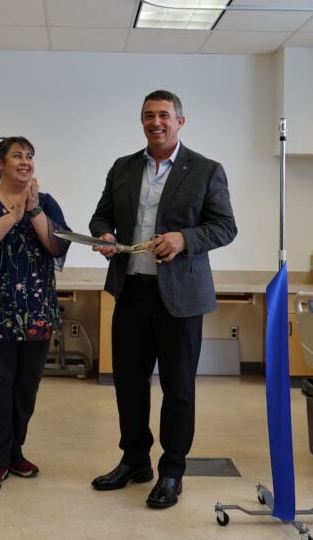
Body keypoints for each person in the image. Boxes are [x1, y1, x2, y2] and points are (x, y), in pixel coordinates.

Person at [89, 90, 237, 509]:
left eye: (164, 115)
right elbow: (102, 215)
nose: (156, 122)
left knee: (178, 389)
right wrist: (104, 234)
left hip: (182, 299)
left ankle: (172, 470)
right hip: (131, 291)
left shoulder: (206, 170)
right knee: (128, 385)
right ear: (142, 122)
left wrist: (184, 238)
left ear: (180, 121)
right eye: (149, 115)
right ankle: (134, 460)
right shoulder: (123, 167)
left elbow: (225, 227)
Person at [0, 136, 71, 494]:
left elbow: (57, 245)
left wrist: (33, 211)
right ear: (0, 163)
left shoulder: (46, 202)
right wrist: (13, 216)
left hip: (35, 313)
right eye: (17, 156)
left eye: (30, 156)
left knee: (25, 389)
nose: (25, 161)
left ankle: (14, 451)